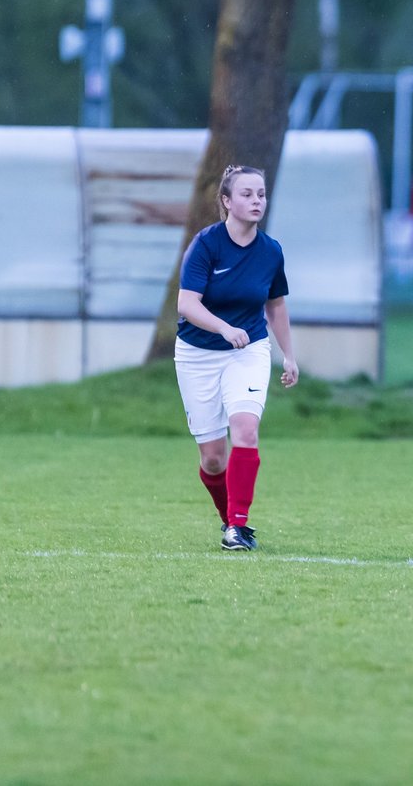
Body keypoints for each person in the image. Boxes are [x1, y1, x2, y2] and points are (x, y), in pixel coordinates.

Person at [174, 164, 299, 551]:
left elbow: (275, 305)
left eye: (260, 194)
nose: (256, 200)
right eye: (246, 194)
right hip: (197, 354)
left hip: (248, 351)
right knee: (213, 459)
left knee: (245, 429)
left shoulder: (271, 251)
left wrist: (289, 356)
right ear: (226, 201)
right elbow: (186, 304)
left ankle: (238, 527)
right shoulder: (206, 245)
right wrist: (223, 328)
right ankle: (229, 520)